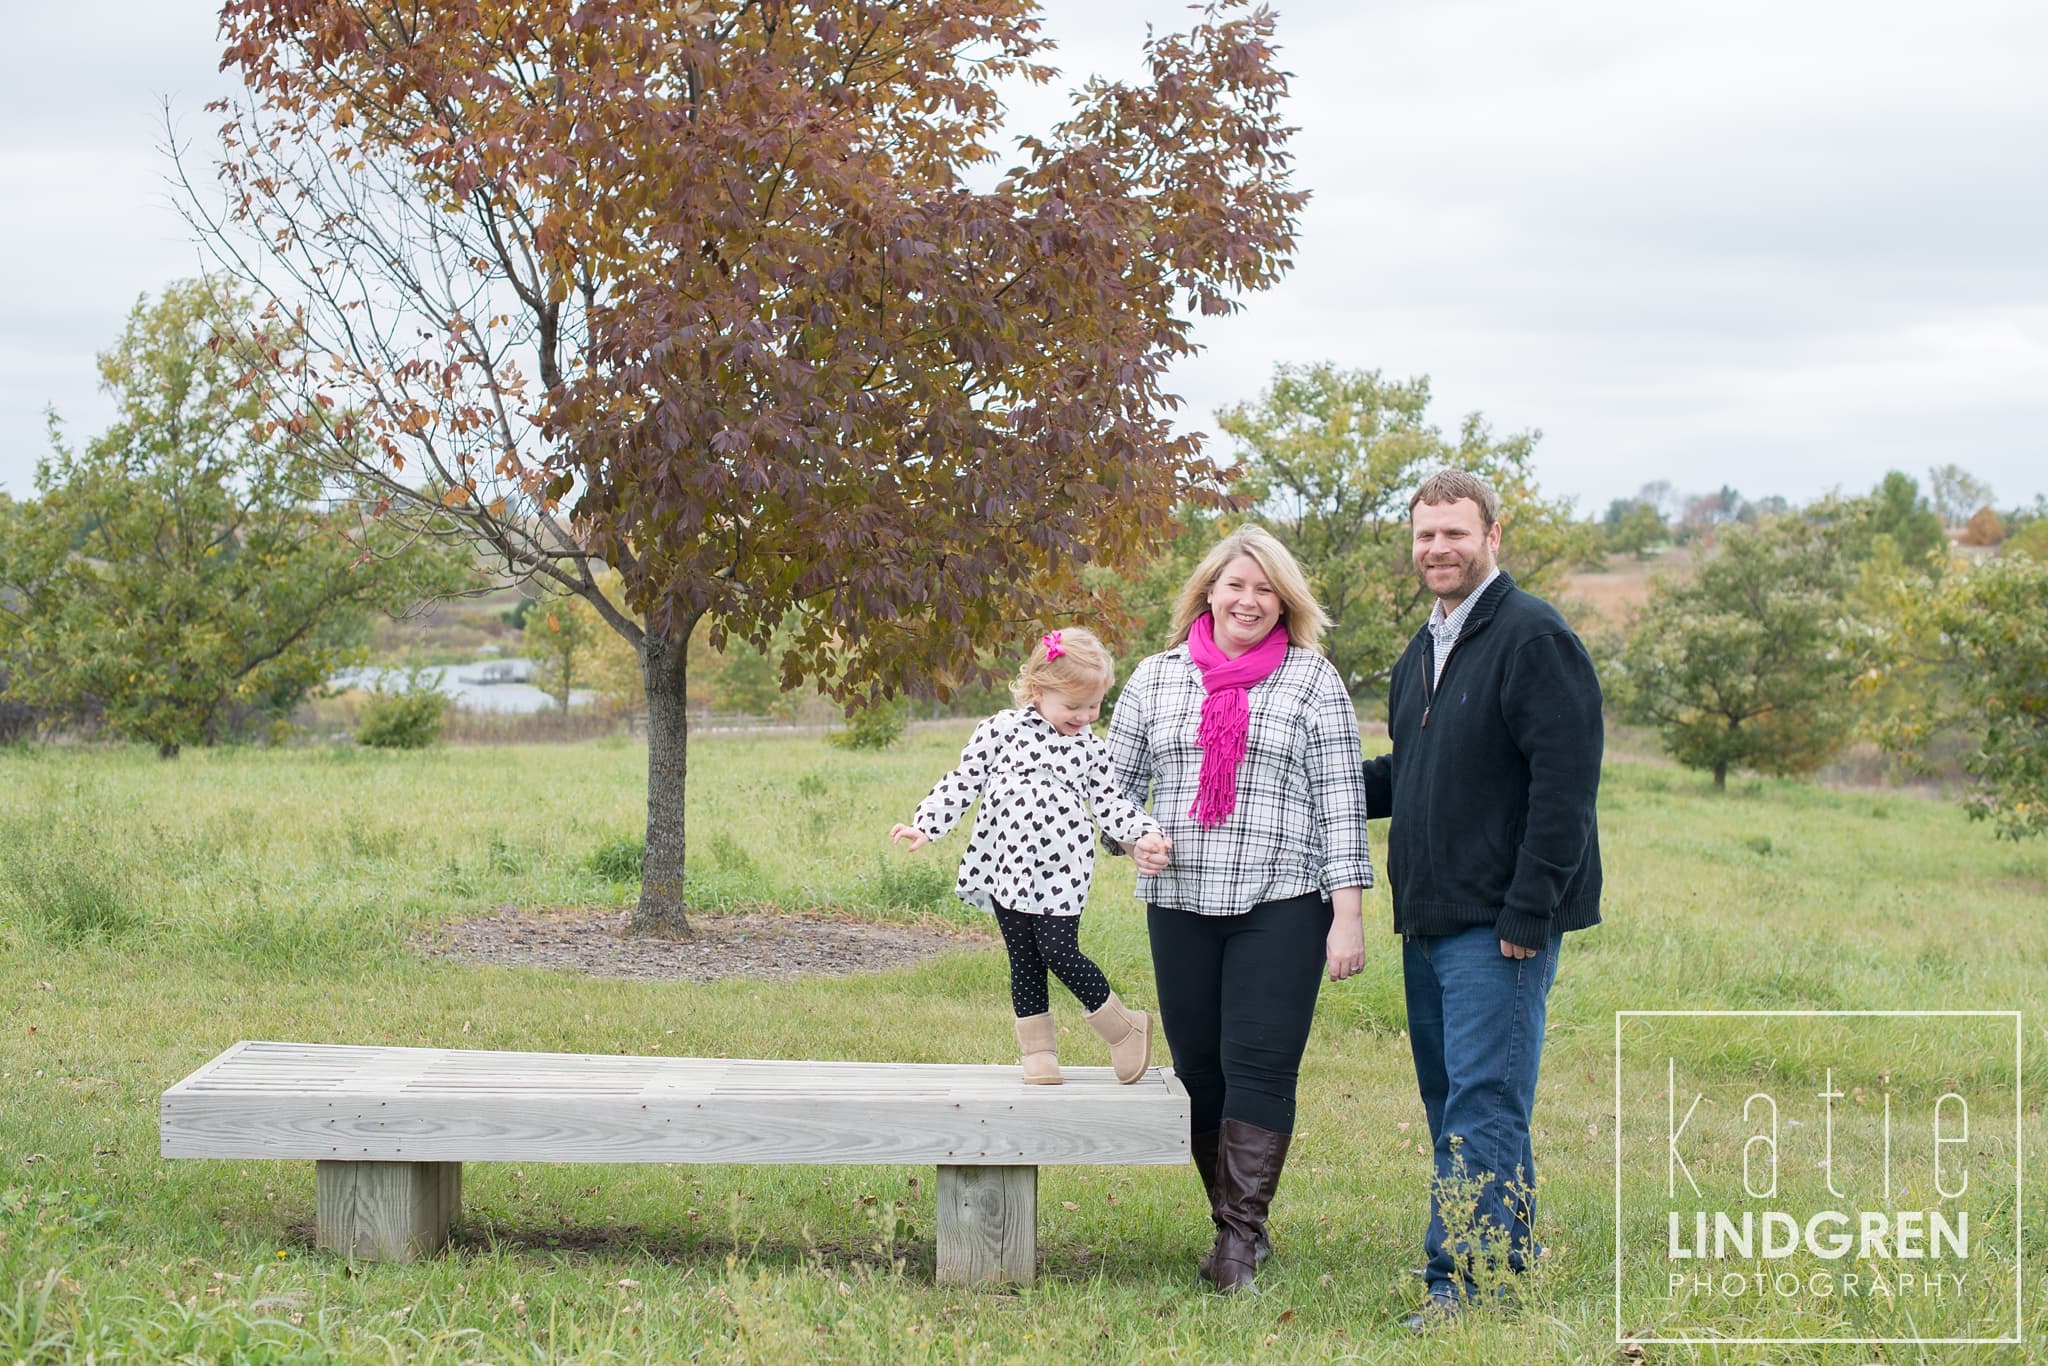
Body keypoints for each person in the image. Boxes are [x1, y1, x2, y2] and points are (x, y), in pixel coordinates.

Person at [1361, 470, 1603, 1326]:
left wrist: (1530, 907)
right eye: (1426, 535)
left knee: (1481, 1102)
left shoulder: (1533, 638)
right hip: (1428, 918)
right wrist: (1315, 787)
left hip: (1498, 924)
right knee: (1460, 1098)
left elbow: (1565, 785)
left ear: (1492, 537)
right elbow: (1413, 773)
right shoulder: (1421, 649)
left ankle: (1460, 1286)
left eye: (1455, 534)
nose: (1438, 549)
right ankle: (1512, 1252)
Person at [1106, 525, 1371, 1293]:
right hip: (1180, 901)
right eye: (1236, 586)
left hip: (1282, 901)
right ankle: (1237, 1228)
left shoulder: (1312, 680)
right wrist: (1135, 837)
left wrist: (1345, 916)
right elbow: (1112, 790)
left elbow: (1342, 807)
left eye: (1265, 589)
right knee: (1200, 1074)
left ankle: (1236, 1245)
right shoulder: (1155, 680)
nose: (1248, 600)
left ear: (1283, 601)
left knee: (1260, 1065)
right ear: (1208, 592)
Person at [891, 627, 1166, 1086]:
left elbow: (1111, 803)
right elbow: (963, 781)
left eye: (1095, 706)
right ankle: (1038, 1053)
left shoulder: (1091, 750)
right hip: (1006, 866)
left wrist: (1143, 832)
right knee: (1024, 959)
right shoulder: (1000, 731)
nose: (1085, 716)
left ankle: (1123, 1027)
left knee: (1058, 950)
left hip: (1063, 869)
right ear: (1038, 691)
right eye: (1074, 707)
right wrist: (927, 824)